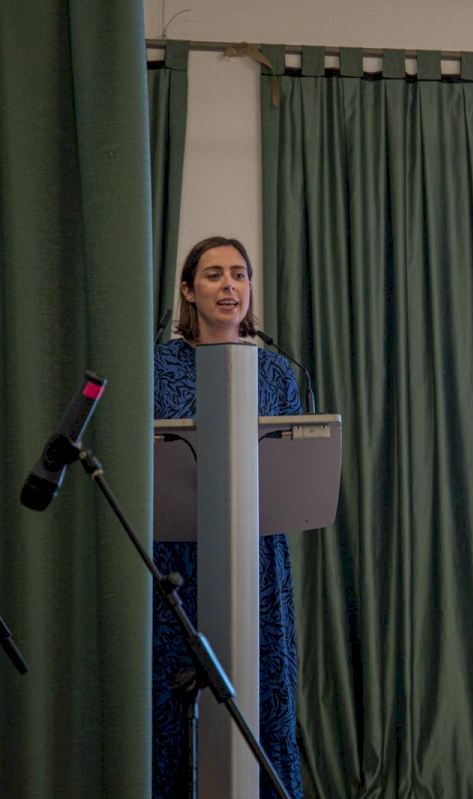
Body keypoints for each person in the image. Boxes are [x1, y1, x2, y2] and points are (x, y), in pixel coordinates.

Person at [152, 236, 303, 798]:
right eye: (214, 275)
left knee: (259, 684)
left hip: (256, 558)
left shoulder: (278, 372)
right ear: (189, 291)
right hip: (179, 555)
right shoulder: (157, 367)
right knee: (177, 692)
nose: (229, 286)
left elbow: (292, 462)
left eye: (239, 274)